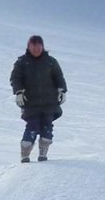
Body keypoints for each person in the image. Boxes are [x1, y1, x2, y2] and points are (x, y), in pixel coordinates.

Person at [10, 35, 68, 163]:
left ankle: (43, 154)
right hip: (30, 103)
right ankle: (25, 156)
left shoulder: (51, 62)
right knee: (32, 127)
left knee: (47, 127)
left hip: (50, 102)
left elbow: (59, 77)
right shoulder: (21, 63)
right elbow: (15, 78)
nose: (36, 49)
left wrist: (62, 90)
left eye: (38, 47)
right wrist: (18, 92)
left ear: (42, 47)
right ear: (28, 47)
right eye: (33, 47)